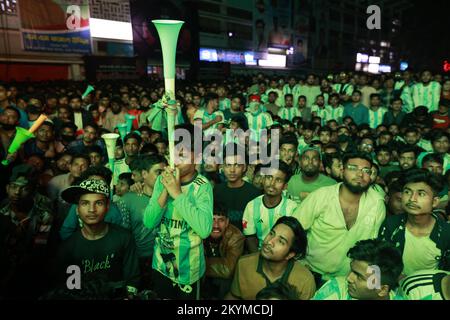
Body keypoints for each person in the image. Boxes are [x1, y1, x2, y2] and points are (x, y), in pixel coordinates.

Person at [292, 152, 386, 286]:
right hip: (310, 272)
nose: (360, 174)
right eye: (353, 168)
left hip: (349, 279)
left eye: (366, 170)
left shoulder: (377, 203)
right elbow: (292, 229)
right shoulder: (321, 196)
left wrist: (372, 285)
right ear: (342, 171)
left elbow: (374, 248)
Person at [143, 126, 213, 300]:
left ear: (196, 157)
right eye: (171, 154)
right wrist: (166, 189)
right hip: (161, 265)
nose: (174, 159)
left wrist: (177, 193)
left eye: (181, 154)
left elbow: (204, 230)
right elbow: (149, 222)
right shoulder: (161, 180)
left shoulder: (202, 186)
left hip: (189, 269)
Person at [56, 178, 140, 297]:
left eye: (99, 203)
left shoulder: (124, 238)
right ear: (77, 209)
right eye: (85, 203)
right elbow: (71, 288)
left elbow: (132, 280)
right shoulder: (68, 247)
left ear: (107, 207)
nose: (91, 210)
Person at [378, 169, 450, 276]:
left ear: (434, 202)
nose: (412, 199)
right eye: (407, 192)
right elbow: (378, 262)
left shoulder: (446, 233)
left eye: (421, 194)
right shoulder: (391, 225)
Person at [226, 216, 316, 300]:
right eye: (272, 234)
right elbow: (234, 297)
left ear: (290, 254)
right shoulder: (244, 264)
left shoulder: (305, 280)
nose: (269, 241)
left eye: (281, 241)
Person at [0, 164, 54, 299]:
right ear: (7, 188)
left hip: (27, 269)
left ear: (32, 191)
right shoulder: (2, 209)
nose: (17, 192)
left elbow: (39, 250)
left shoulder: (43, 215)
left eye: (24, 188)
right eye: (13, 186)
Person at [313, 239, 404, 300]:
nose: (349, 278)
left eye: (359, 277)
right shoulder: (336, 289)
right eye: (352, 270)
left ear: (382, 290)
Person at [243, 161, 298, 253]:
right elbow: (250, 237)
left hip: (282, 254)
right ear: (263, 180)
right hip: (259, 253)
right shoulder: (252, 206)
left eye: (278, 180)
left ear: (285, 186)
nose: (272, 183)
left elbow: (292, 240)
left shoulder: (292, 208)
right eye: (269, 177)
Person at [214, 143, 261, 231]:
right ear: (222, 167)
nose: (232, 170)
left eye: (237, 165)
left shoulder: (254, 193)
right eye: (228, 165)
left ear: (244, 167)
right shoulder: (216, 190)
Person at [202, 204, 245, 300]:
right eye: (212, 219)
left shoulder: (236, 237)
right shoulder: (198, 231)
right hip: (204, 280)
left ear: (227, 222)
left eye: (221, 220)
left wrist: (199, 265)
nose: (216, 225)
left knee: (226, 282)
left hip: (224, 284)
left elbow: (228, 270)